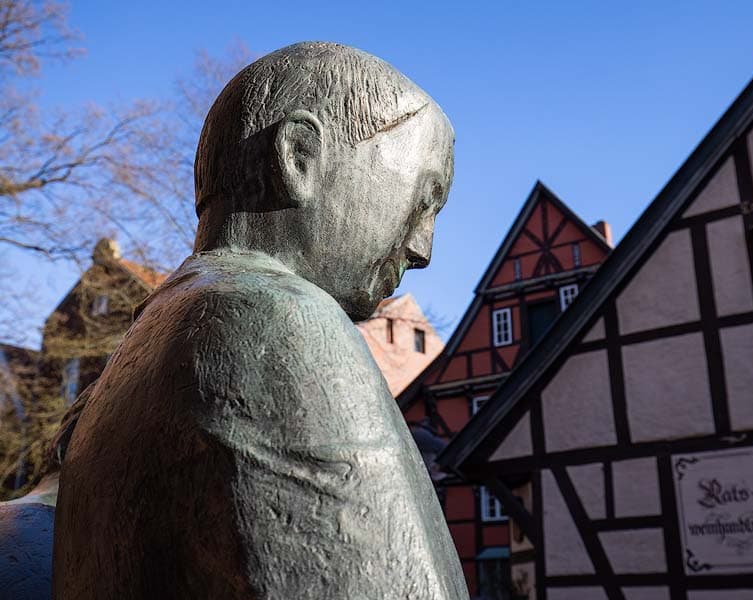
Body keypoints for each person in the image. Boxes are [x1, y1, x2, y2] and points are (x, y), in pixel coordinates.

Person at [53, 42, 466, 599]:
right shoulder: (278, 319)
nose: (424, 248)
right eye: (424, 200)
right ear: (298, 157)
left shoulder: (138, 353)